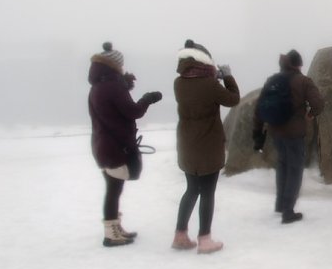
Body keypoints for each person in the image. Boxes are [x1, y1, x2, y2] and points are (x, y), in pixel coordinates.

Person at [88, 42, 162, 247]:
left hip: (103, 144)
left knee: (114, 189)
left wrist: (124, 86)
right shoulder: (112, 86)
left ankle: (115, 228)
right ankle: (111, 233)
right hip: (115, 146)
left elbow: (113, 109)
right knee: (114, 190)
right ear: (114, 65)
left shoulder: (98, 86)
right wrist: (147, 99)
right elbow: (133, 111)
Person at [173, 39, 240, 253]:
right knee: (208, 192)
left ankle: (180, 235)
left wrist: (213, 78)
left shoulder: (179, 83)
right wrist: (227, 77)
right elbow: (233, 99)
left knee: (191, 189)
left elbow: (198, 91)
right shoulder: (210, 85)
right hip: (208, 146)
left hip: (187, 145)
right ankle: (205, 240)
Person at [253, 50, 324, 223]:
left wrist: (257, 133)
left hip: (276, 132)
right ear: (299, 64)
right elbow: (318, 103)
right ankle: (288, 211)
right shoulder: (303, 81)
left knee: (283, 166)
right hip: (294, 133)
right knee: (295, 170)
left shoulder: (272, 80)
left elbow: (259, 108)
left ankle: (280, 204)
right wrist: (310, 114)